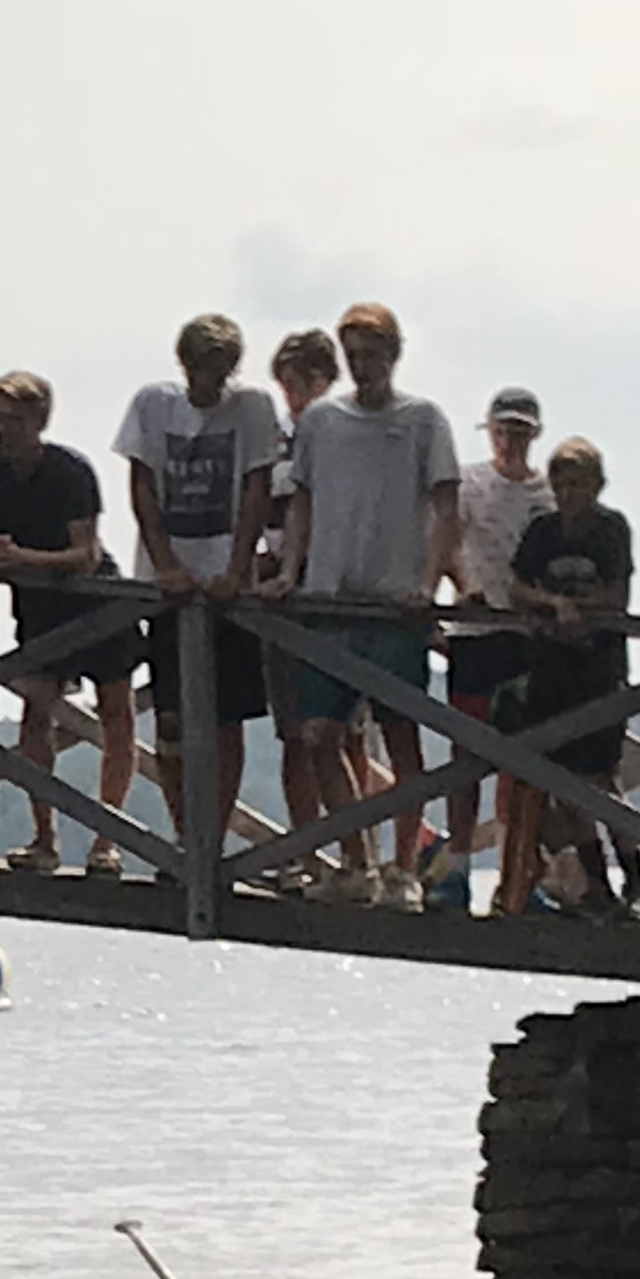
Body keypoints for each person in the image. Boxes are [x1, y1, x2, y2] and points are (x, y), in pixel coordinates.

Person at [278, 302, 460, 906]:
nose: (363, 367)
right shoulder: (322, 421)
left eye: (373, 355)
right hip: (330, 599)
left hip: (394, 603)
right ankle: (359, 862)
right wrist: (289, 571)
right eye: (353, 356)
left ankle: (404, 869)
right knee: (319, 736)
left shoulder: (423, 420)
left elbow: (445, 508)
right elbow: (300, 501)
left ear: (394, 354)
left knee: (402, 740)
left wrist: (430, 585)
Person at [113, 315, 282, 857]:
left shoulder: (252, 408)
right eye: (199, 370)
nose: (207, 382)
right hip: (171, 585)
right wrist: (165, 565)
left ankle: (211, 836)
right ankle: (186, 834)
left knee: (227, 718)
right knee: (170, 716)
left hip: (227, 585)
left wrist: (236, 571)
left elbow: (257, 492)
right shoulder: (153, 404)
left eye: (217, 371)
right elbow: (141, 488)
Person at [0, 369, 129, 875]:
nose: (3, 429)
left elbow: (85, 554)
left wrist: (20, 558)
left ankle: (107, 841)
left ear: (40, 420)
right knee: (36, 714)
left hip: (97, 602)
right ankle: (43, 838)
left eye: (13, 419)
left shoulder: (70, 471)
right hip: (38, 606)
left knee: (116, 714)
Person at [507, 437, 640, 921]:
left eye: (579, 484)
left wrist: (574, 606)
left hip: (599, 669)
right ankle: (597, 883)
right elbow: (517, 587)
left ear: (598, 485)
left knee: (601, 778)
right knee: (562, 782)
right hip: (551, 670)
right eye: (562, 484)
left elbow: (617, 596)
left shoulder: (611, 528)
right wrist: (554, 604)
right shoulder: (543, 530)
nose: (570, 494)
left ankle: (635, 878)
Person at [440, 386, 554, 910]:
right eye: (503, 428)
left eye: (521, 430)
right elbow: (444, 541)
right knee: (465, 761)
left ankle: (516, 875)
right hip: (473, 635)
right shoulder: (468, 481)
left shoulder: (547, 494)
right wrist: (464, 589)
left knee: (523, 763)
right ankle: (456, 869)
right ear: (489, 430)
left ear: (536, 434)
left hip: (528, 639)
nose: (511, 439)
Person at [240, 327, 344, 875]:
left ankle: (362, 852)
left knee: (335, 733)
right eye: (285, 385)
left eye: (300, 384)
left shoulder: (345, 439)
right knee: (293, 737)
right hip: (281, 596)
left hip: (329, 598)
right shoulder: (278, 441)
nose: (293, 396)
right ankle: (303, 851)